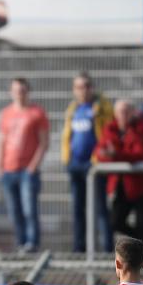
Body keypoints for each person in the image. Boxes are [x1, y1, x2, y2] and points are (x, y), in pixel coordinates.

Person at [94, 100, 143, 250]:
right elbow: (100, 152)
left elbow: (140, 153)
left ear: (132, 113)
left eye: (126, 111)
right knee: (115, 222)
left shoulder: (141, 128)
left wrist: (115, 155)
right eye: (120, 111)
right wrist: (112, 155)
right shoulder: (110, 129)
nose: (123, 115)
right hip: (122, 185)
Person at [61, 72, 114, 253]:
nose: (83, 90)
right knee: (78, 209)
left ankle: (107, 250)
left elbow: (108, 127)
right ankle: (79, 249)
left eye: (86, 86)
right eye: (79, 87)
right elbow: (68, 135)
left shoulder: (101, 107)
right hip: (75, 164)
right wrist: (66, 158)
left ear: (92, 88)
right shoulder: (73, 109)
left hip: (94, 166)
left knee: (100, 209)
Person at [0, 78, 49, 253]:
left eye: (23, 90)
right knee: (14, 212)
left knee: (29, 210)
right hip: (8, 170)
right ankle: (20, 244)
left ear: (28, 92)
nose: (20, 94)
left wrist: (33, 166)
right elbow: (2, 141)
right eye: (16, 90)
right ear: (11, 93)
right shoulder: (6, 113)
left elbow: (44, 142)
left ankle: (32, 244)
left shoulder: (36, 113)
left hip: (27, 170)